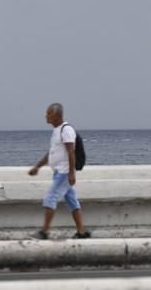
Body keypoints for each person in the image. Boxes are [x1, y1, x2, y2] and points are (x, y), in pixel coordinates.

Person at [28, 102, 90, 239]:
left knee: (50, 198)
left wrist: (71, 174)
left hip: (64, 173)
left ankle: (44, 232)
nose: (46, 116)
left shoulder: (66, 130)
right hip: (59, 172)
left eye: (48, 113)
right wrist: (37, 167)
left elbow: (71, 153)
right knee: (72, 201)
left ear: (56, 116)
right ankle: (81, 232)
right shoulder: (57, 130)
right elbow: (51, 154)